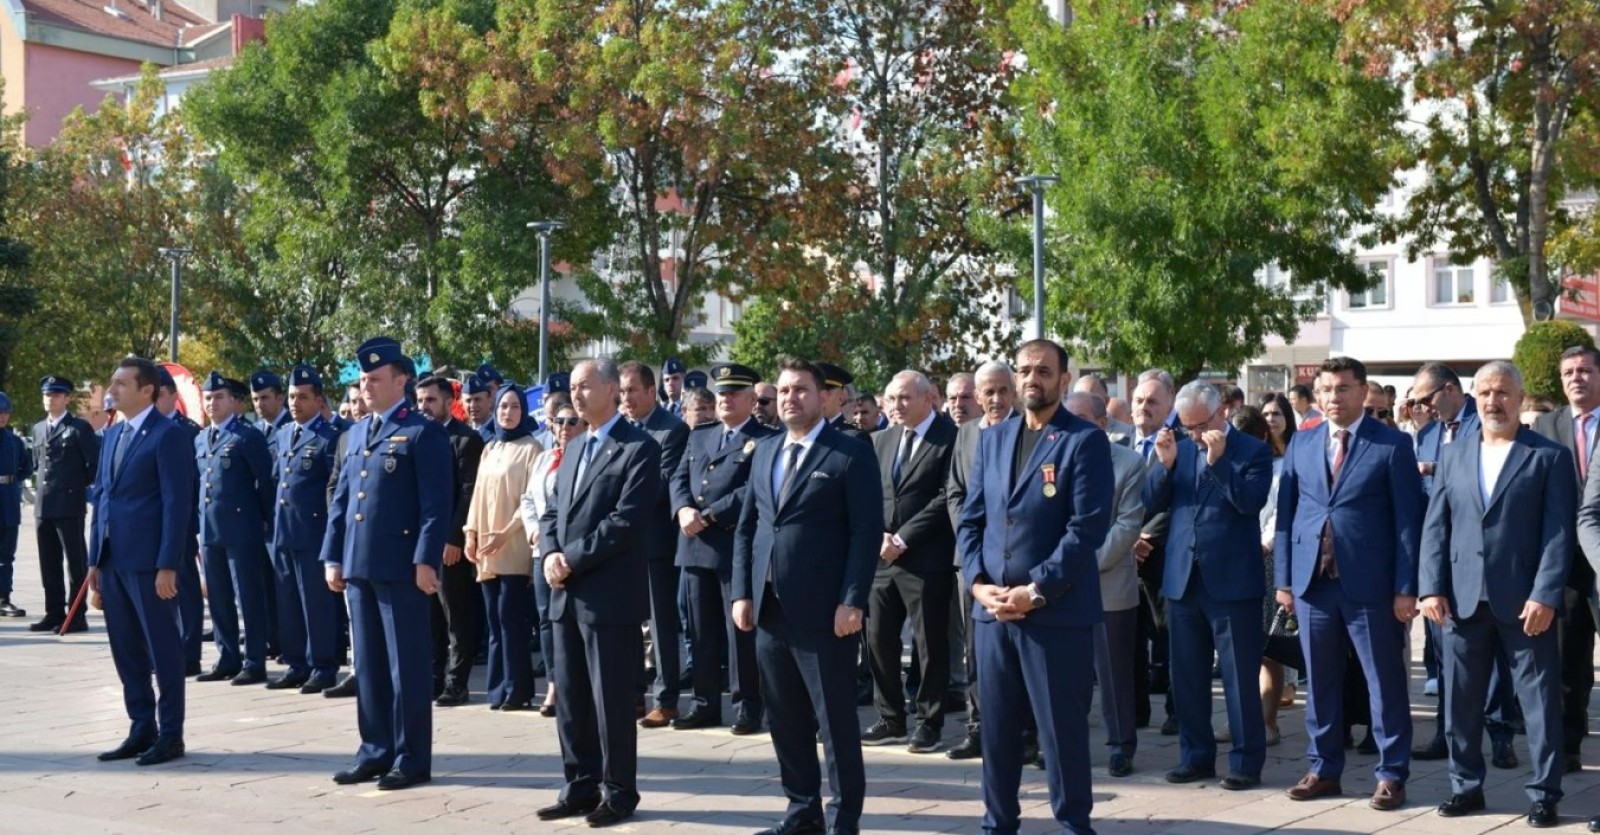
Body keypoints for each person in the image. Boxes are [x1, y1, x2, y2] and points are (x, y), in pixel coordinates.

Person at [958, 339, 1112, 835]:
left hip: (1054, 617)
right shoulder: (994, 438)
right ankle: (997, 825)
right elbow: (972, 518)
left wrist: (1035, 590)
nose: (1031, 379)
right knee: (997, 735)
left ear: (1063, 380)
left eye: (1043, 371)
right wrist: (978, 584)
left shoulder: (1083, 441)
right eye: (1024, 370)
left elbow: (1086, 529)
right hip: (992, 615)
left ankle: (1073, 826)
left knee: (1060, 737)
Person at [732, 357, 880, 835]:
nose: (791, 397)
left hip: (826, 614)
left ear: (823, 397)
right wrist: (743, 592)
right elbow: (748, 529)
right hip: (770, 610)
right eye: (784, 390)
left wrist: (853, 599)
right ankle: (802, 811)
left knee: (835, 725)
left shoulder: (849, 453)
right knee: (785, 721)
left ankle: (843, 820)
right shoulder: (766, 451)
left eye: (801, 390)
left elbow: (864, 531)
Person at [1420, 361, 1570, 827]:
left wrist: (1545, 594)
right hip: (1462, 601)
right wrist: (1430, 587)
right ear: (1473, 397)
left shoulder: (1547, 456)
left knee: (1539, 703)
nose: (1492, 401)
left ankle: (1544, 793)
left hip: (1526, 604)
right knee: (1460, 702)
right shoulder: (1455, 454)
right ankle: (1466, 787)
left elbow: (1558, 532)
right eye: (1484, 392)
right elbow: (1435, 528)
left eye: (1502, 392)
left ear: (1520, 398)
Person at [1274, 357, 1424, 811]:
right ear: (1316, 395)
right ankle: (1323, 768)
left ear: (1362, 393)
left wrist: (1405, 586)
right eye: (1326, 390)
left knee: (1384, 682)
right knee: (1318, 682)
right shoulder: (1302, 443)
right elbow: (1286, 516)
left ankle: (1391, 774)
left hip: (1371, 585)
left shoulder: (1392, 444)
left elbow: (1407, 523)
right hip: (1313, 583)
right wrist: (1284, 581)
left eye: (1343, 389)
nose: (1334, 397)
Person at [535, 359, 662, 828]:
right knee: (570, 698)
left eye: (585, 386)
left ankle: (619, 791)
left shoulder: (638, 449)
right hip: (565, 592)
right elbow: (552, 513)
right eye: (572, 388)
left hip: (607, 595)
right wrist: (550, 552)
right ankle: (579, 785)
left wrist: (572, 558)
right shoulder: (571, 448)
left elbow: (626, 522)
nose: (577, 395)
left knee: (609, 701)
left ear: (611, 389)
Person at [322, 337, 452, 791]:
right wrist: (333, 556)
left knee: (406, 668)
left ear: (401, 380)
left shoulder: (423, 432)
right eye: (363, 380)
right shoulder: (354, 433)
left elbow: (436, 505)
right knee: (370, 667)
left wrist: (425, 559)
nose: (366, 386)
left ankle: (411, 757)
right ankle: (374, 751)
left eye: (375, 379)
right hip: (359, 566)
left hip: (401, 568)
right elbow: (341, 500)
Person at [1144, 380, 1273, 790]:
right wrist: (1162, 467)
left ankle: (1245, 763)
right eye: (1186, 427)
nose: (1193, 435)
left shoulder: (1252, 450)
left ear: (1222, 414)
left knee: (1238, 680)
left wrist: (1218, 464)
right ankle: (1196, 757)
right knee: (1187, 679)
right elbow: (1149, 503)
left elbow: (1250, 503)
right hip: (1183, 580)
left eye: (1199, 426)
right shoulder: (1177, 448)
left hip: (1233, 582)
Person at [88, 356, 197, 766]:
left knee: (163, 649)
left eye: (120, 384)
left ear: (146, 390)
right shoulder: (113, 435)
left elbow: (176, 504)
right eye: (112, 382)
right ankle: (141, 727)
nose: (111, 390)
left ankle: (171, 734)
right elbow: (102, 498)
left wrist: (169, 564)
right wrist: (94, 560)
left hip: (151, 564)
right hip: (114, 560)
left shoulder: (167, 435)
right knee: (126, 649)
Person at [667, 362, 778, 733]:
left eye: (734, 393)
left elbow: (753, 490)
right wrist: (683, 508)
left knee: (739, 632)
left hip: (734, 543)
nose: (726, 399)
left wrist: (711, 514)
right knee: (700, 629)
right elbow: (678, 476)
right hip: (695, 542)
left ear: (750, 399)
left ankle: (747, 703)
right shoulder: (701, 434)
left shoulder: (765, 439)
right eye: (722, 393)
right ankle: (704, 702)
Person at [862, 371, 959, 754]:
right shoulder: (879, 441)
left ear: (928, 398)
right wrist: (880, 538)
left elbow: (946, 496)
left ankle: (928, 722)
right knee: (878, 638)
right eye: (890, 398)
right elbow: (869, 494)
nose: (896, 406)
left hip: (926, 557)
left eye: (904, 398)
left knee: (929, 644)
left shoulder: (949, 438)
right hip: (883, 558)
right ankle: (890, 718)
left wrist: (904, 537)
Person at [1065, 391, 1146, 777]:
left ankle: (1120, 746)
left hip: (1108, 582)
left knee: (1114, 674)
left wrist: (1081, 564)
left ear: (1102, 423)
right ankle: (1067, 743)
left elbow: (1128, 525)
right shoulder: (1052, 458)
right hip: (1059, 585)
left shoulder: (1129, 463)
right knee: (1068, 673)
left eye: (1080, 417)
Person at [1531, 345, 1600, 774]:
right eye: (1569, 372)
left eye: (1586, 370)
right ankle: (1569, 743)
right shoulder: (1545, 425)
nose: (1577, 378)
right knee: (1567, 658)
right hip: (1567, 564)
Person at [943, 360, 1017, 761]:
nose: (995, 399)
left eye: (1002, 390)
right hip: (971, 562)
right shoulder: (968, 434)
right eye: (987, 392)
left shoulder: (1028, 430)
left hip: (1015, 560)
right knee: (976, 650)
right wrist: (971, 539)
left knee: (1016, 649)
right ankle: (979, 727)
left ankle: (1025, 733)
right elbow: (955, 493)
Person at [617, 360, 690, 728]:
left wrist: (621, 498)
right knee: (627, 621)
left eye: (632, 390)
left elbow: (663, 482)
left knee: (661, 626)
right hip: (621, 543)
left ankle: (666, 700)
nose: (626, 398)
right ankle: (632, 697)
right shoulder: (620, 430)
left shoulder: (672, 430)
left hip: (655, 540)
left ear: (651, 391)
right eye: (622, 391)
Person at [193, 373, 275, 685]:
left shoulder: (247, 436)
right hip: (210, 529)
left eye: (219, 397)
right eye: (208, 398)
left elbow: (264, 483)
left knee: (248, 597)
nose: (212, 403)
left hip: (242, 529)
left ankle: (254, 661)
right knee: (217, 597)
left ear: (234, 402)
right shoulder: (201, 438)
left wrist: (264, 520)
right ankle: (227, 656)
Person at [466, 385, 543, 711]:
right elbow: (478, 494)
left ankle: (518, 688)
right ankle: (497, 689)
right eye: (502, 407)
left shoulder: (532, 449)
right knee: (494, 623)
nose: (507, 413)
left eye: (513, 407)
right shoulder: (491, 447)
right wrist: (470, 532)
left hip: (513, 546)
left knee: (511, 620)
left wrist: (505, 534)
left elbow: (530, 500)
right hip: (487, 547)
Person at [268, 365, 344, 694]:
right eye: (291, 397)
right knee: (288, 603)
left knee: (316, 604)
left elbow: (334, 489)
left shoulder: (329, 437)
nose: (295, 403)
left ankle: (323, 666)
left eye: (302, 397)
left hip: (313, 533)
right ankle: (296, 663)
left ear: (318, 400)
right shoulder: (284, 434)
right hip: (284, 532)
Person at [415, 375, 484, 707]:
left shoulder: (465, 439)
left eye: (430, 400)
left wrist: (454, 537)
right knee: (428, 617)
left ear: (446, 401)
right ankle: (433, 677)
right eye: (420, 401)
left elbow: (468, 493)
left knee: (455, 614)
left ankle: (457, 682)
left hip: (449, 543)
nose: (424, 407)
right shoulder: (416, 436)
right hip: (422, 544)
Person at [519, 400, 586, 716]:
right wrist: (536, 533)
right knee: (547, 620)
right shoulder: (545, 459)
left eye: (572, 422)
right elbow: (529, 500)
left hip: (576, 553)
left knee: (577, 619)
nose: (565, 428)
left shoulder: (589, 455)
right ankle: (554, 685)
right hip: (543, 552)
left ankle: (580, 684)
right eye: (559, 422)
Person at [29, 374, 99, 633]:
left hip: (69, 505)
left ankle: (77, 615)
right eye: (47, 395)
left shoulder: (79, 428)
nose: (50, 399)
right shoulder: (37, 428)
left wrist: (75, 488)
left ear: (67, 398)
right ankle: (53, 612)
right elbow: (39, 465)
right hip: (43, 505)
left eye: (56, 395)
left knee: (75, 562)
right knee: (48, 562)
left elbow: (94, 465)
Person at [1129, 373, 1177, 734]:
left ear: (1170, 405)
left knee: (1172, 639)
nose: (1143, 407)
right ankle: (1134, 710)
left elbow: (1181, 498)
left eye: (1152, 402)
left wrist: (1147, 536)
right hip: (1123, 561)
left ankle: (1178, 711)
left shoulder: (1179, 444)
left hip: (1163, 559)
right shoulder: (1120, 444)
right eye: (1139, 401)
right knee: (1129, 640)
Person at [151, 369, 205, 675]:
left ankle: (189, 652)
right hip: (151, 524)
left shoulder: (189, 432)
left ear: (174, 396)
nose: (157, 401)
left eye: (162, 395)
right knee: (156, 592)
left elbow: (196, 482)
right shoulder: (145, 430)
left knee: (184, 589)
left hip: (181, 522)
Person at [0, 392, 32, 618]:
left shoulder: (14, 441)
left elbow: (26, 467)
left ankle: (3, 597)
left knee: (6, 554)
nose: (2, 416)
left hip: (8, 499)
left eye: (5, 412)